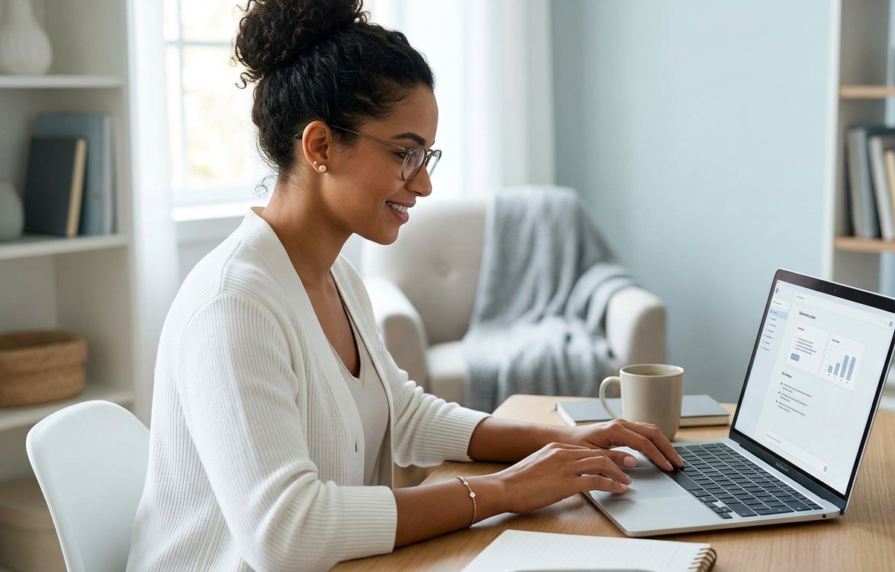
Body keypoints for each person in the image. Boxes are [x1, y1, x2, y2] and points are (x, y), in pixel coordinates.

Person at [127, 1, 682, 570]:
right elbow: (286, 533)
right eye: (404, 154)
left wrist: (560, 442)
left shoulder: (337, 276)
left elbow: (404, 414)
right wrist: (503, 491)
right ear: (319, 147)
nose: (424, 184)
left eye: (427, 155)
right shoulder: (233, 306)